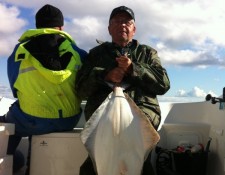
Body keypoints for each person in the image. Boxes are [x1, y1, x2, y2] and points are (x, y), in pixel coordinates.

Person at [75, 5, 170, 175]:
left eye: (127, 21)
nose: (122, 25)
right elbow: (80, 89)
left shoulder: (147, 53)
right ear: (109, 28)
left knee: (139, 162)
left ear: (134, 29)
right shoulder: (96, 54)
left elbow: (163, 84)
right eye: (117, 21)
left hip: (142, 118)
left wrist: (134, 68)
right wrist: (105, 75)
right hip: (102, 122)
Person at [0, 4, 87, 174]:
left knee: (8, 123)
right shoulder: (79, 53)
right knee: (35, 121)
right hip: (68, 119)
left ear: (37, 25)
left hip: (31, 120)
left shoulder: (21, 50)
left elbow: (15, 88)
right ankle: (34, 162)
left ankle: (10, 159)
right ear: (61, 26)